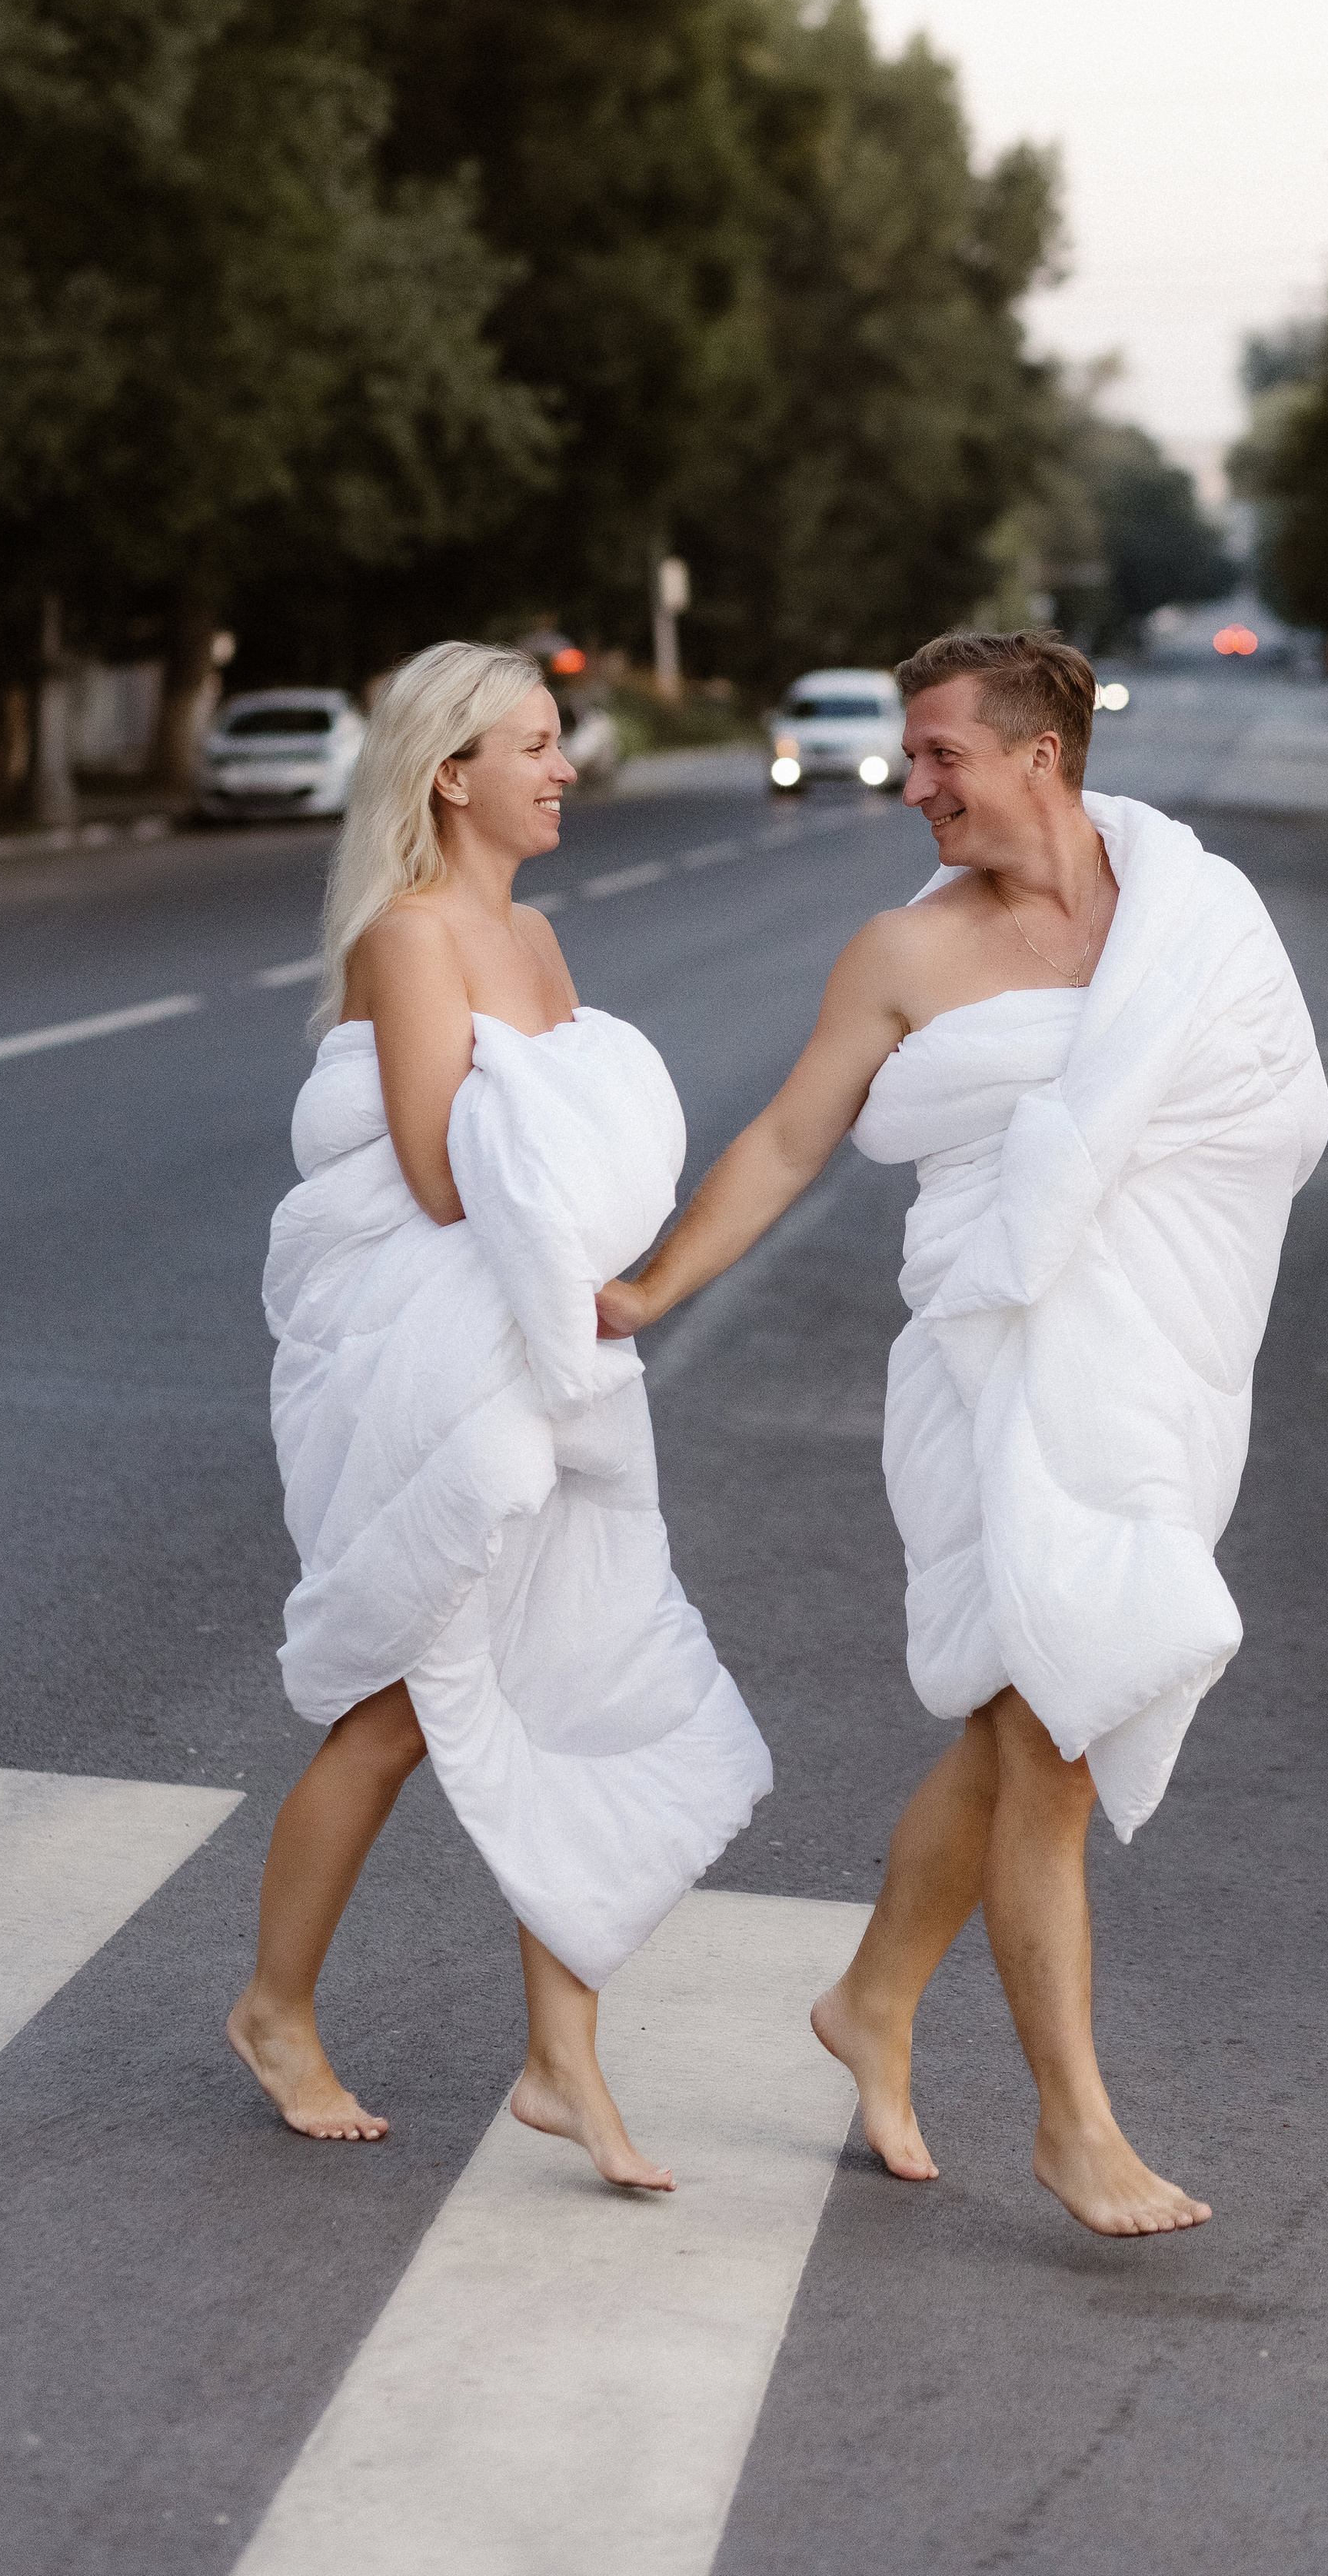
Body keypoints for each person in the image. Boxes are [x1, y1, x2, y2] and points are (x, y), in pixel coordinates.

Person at [599, 631, 1326, 2236]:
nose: (910, 783)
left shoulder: (1194, 917)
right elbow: (792, 1138)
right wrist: (651, 1284)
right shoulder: (901, 955)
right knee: (1051, 1739)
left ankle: (867, 1999)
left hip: (1152, 1369)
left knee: (1015, 1724)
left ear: (1037, 760)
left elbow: (1275, 1117)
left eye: (938, 756)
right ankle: (1074, 2125)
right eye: (911, 758)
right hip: (987, 1375)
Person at [228, 642, 771, 2184]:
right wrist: (572, 1195)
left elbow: (571, 1157)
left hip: (546, 1350)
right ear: (446, 771)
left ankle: (561, 2063)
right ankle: (273, 2008)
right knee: (397, 1713)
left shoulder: (534, 939)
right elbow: (435, 1169)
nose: (563, 767)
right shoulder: (410, 939)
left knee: (564, 1687)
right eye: (531, 744)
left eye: (558, 740)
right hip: (439, 1366)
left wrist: (591, 1223)